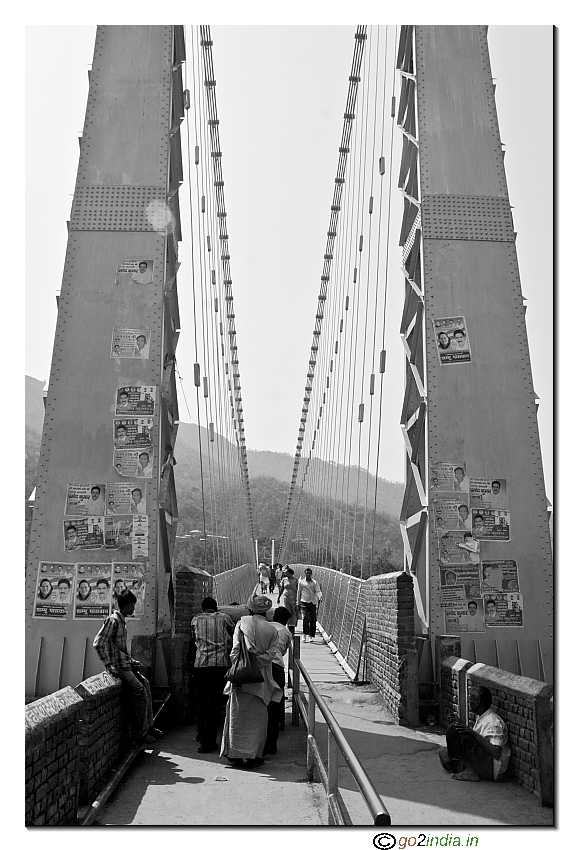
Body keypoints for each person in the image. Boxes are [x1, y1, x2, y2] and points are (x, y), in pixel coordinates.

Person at [220, 594, 281, 769]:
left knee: (237, 716)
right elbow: (271, 656)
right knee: (258, 719)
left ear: (249, 609)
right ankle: (254, 756)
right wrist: (257, 664)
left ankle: (235, 755)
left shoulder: (242, 623)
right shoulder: (272, 630)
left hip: (241, 681)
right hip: (262, 681)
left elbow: (235, 651)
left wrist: (242, 667)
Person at [93, 589, 158, 745]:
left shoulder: (121, 622)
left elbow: (119, 649)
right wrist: (108, 665)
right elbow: (98, 644)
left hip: (125, 665)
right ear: (128, 605)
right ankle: (140, 733)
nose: (134, 609)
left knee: (146, 685)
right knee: (139, 691)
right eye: (133, 606)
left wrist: (131, 661)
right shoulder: (113, 621)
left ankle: (148, 726)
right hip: (119, 668)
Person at [191, 597, 235, 754]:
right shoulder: (224, 617)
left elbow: (194, 639)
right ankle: (208, 743)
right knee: (214, 704)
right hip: (219, 665)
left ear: (203, 609)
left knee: (201, 702)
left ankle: (201, 735)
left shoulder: (195, 620)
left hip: (200, 665)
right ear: (216, 608)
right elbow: (234, 633)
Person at [438, 685, 510, 782]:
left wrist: (472, 733)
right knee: (444, 754)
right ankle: (466, 768)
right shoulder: (482, 718)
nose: (469, 703)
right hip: (481, 762)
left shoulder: (493, 722)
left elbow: (496, 752)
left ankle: (470, 771)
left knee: (453, 729)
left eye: (470, 700)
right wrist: (460, 724)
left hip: (491, 767)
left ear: (477, 702)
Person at [265, 607, 292, 755]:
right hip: (277, 666)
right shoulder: (286, 632)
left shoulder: (266, 626)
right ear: (287, 621)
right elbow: (284, 651)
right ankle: (272, 743)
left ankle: (260, 742)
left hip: (263, 665)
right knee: (276, 702)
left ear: (274, 616)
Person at [297, 568, 323, 642]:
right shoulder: (301, 582)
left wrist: (320, 597)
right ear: (305, 574)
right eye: (306, 573)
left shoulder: (314, 582)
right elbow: (299, 592)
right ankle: (304, 634)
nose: (308, 574)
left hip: (312, 602)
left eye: (309, 573)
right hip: (304, 601)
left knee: (312, 619)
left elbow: (318, 591)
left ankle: (310, 635)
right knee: (305, 618)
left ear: (311, 574)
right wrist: (298, 603)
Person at [277, 567, 299, 633]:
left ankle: (293, 625)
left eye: (286, 572)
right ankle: (289, 625)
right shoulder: (284, 580)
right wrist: (279, 597)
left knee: (294, 612)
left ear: (290, 573)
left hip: (294, 597)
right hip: (286, 597)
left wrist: (299, 599)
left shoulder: (295, 580)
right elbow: (282, 589)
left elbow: (298, 590)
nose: (285, 573)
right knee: (288, 611)